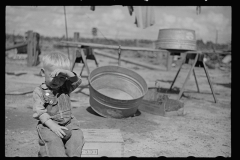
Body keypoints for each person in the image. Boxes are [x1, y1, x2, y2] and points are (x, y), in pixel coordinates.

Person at [32, 51, 84, 157]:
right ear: (43, 72)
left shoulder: (66, 87)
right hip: (49, 126)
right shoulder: (39, 91)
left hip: (69, 124)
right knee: (53, 145)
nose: (57, 81)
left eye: (62, 77)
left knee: (77, 139)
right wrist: (53, 126)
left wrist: (67, 73)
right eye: (53, 76)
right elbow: (40, 112)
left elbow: (76, 81)